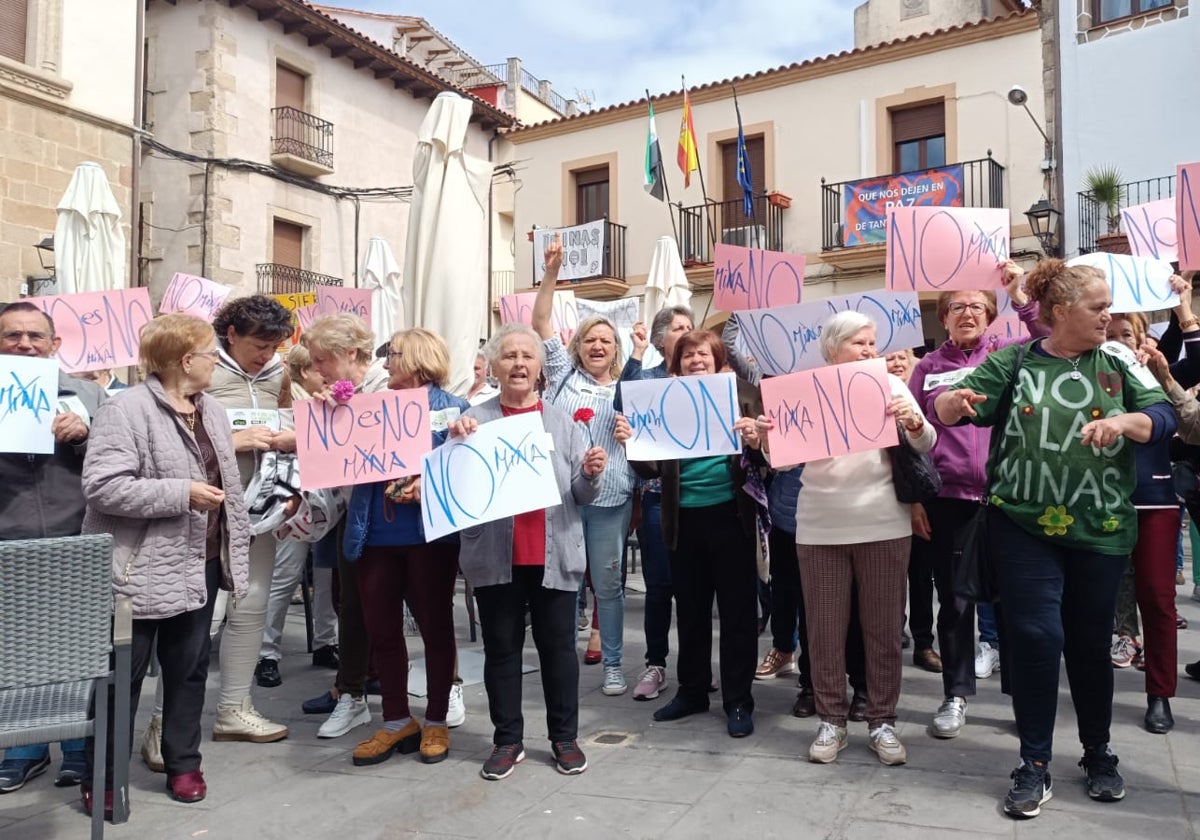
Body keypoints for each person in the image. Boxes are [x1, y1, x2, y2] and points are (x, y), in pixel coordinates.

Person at [935, 258, 1176, 819]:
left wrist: (1123, 423)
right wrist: (950, 405)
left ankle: (1098, 754)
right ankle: (1034, 763)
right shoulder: (1013, 360)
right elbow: (953, 404)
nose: (1107, 316)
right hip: (1022, 525)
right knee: (1037, 637)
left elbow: (1162, 416)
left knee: (1089, 645)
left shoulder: (1116, 359)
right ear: (1062, 312)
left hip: (1102, 527)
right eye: (1098, 308)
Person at [80, 313, 251, 814]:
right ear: (185, 359)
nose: (216, 360)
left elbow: (227, 484)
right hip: (137, 570)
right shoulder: (125, 409)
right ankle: (104, 774)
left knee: (189, 669)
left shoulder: (212, 411)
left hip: (201, 560)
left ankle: (184, 763)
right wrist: (182, 493)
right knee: (121, 676)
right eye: (209, 352)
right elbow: (103, 486)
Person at [777, 311, 934, 767]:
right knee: (824, 632)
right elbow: (783, 463)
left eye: (872, 343)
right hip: (820, 527)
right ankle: (832, 721)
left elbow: (926, 444)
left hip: (883, 524)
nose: (870, 351)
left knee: (883, 630)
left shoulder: (891, 386)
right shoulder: (803, 391)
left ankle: (882, 720)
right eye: (860, 343)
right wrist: (766, 440)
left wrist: (913, 424)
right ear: (833, 349)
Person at [451, 324, 607, 780]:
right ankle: (507, 740)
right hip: (495, 556)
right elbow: (456, 484)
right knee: (502, 650)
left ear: (540, 367)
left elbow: (581, 495)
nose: (519, 363)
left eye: (527, 356)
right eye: (509, 356)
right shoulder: (473, 418)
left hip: (553, 555)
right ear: (495, 366)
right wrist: (457, 441)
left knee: (558, 649)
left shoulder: (561, 420)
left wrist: (592, 473)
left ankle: (564, 737)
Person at [907, 261, 1045, 738]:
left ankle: (1022, 698)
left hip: (1008, 498)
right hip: (948, 500)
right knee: (955, 601)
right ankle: (955, 694)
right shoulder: (927, 368)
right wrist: (915, 499)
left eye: (976, 306)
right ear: (943, 317)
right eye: (957, 307)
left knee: (1016, 602)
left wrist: (1019, 295)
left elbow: (1048, 335)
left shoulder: (1011, 353)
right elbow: (909, 437)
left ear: (990, 316)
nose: (967, 313)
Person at [616, 329, 765, 737]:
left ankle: (738, 700)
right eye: (687, 356)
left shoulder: (745, 395)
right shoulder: (662, 401)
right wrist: (633, 444)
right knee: (692, 611)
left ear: (718, 360)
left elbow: (767, 458)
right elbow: (650, 469)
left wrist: (756, 440)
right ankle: (693, 691)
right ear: (676, 364)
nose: (696, 361)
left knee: (737, 615)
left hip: (732, 518)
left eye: (703, 354)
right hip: (682, 520)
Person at [342, 328, 469, 766]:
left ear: (414, 358)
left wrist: (430, 482)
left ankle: (435, 718)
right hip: (373, 535)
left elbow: (467, 474)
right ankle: (396, 720)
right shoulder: (367, 407)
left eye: (391, 354)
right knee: (382, 631)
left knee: (436, 630)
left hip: (428, 540)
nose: (385, 362)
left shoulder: (454, 409)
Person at [0, 302, 107, 794]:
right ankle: (22, 747)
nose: (24, 344)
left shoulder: (89, 394)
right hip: (10, 543)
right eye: (12, 335)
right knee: (14, 651)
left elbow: (119, 461)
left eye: (35, 336)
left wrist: (85, 437)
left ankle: (81, 748)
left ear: (54, 345)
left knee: (83, 648)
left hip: (76, 540)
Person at [533, 235, 635, 697]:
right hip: (564, 498)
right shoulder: (563, 374)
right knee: (563, 586)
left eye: (606, 341)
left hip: (612, 498)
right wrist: (552, 273)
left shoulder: (629, 390)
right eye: (590, 339)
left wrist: (632, 439)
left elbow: (652, 446)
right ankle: (561, 665)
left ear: (616, 350)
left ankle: (613, 663)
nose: (598, 346)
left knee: (608, 586)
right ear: (577, 346)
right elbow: (540, 322)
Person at [200, 295, 294, 744]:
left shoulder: (279, 373)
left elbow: (291, 417)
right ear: (231, 334)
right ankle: (165, 722)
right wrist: (232, 440)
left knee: (251, 605)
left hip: (259, 507)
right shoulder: (201, 368)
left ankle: (235, 708)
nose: (267, 355)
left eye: (275, 346)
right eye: (260, 344)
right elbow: (176, 432)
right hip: (203, 508)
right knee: (194, 619)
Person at [300, 313, 394, 739]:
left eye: (321, 359)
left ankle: (436, 692)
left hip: (391, 516)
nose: (316, 368)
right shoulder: (339, 395)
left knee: (396, 605)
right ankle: (349, 691)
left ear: (350, 354)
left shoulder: (387, 388)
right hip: (350, 514)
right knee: (350, 605)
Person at [620, 304, 694, 700]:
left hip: (698, 496)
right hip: (655, 497)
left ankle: (693, 666)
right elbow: (623, 399)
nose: (686, 333)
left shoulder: (705, 379)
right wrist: (636, 351)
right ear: (663, 338)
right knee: (660, 586)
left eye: (690, 327)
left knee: (695, 587)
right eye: (679, 327)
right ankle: (656, 664)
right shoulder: (647, 377)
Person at [256, 343, 339, 689]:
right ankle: (267, 652)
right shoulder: (288, 404)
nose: (328, 373)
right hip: (297, 500)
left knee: (327, 574)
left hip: (330, 498)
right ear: (306, 371)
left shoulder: (329, 404)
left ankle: (325, 640)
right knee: (285, 574)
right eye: (321, 367)